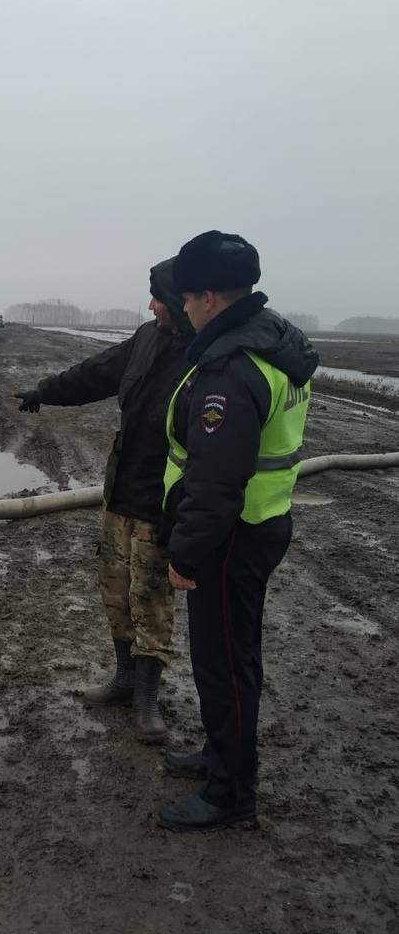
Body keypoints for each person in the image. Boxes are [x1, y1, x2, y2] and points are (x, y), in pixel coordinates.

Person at [158, 230, 319, 832]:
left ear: (207, 298)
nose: (183, 309)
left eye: (187, 299)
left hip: (231, 536)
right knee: (236, 656)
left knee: (223, 664)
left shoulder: (231, 367)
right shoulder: (276, 342)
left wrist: (187, 554)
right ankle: (221, 754)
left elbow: (217, 479)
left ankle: (229, 793)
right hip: (263, 523)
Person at [15, 259, 194, 742]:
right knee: (115, 589)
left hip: (164, 502)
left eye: (158, 297)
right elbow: (98, 372)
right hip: (122, 492)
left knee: (150, 598)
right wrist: (45, 391)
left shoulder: (205, 354)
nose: (151, 304)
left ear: (179, 301)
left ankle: (147, 699)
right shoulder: (148, 336)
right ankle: (124, 678)